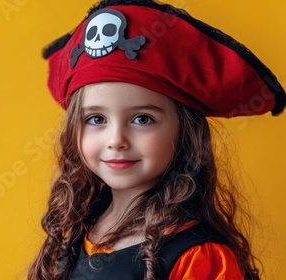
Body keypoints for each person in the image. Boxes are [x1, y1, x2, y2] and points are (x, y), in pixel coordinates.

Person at [28, 0, 286, 279]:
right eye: (96, 119)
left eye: (142, 119)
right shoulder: (80, 226)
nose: (116, 140)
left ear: (185, 133)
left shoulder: (199, 255)